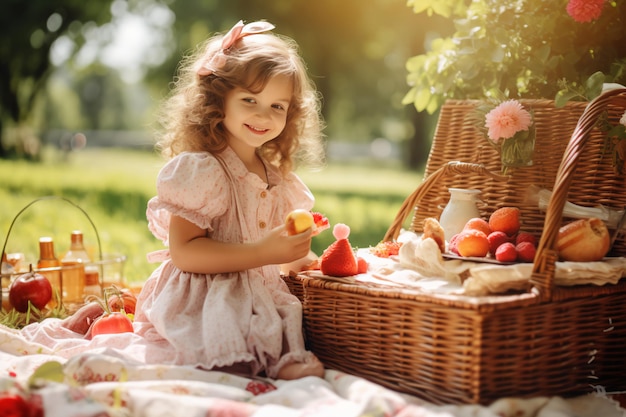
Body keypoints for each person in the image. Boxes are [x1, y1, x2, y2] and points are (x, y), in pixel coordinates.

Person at [131, 20, 326, 380]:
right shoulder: (205, 171)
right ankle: (237, 361)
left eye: (277, 106)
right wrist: (262, 254)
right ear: (219, 100)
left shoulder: (278, 180)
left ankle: (275, 358)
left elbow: (285, 253)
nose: (263, 115)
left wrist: (313, 260)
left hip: (258, 297)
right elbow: (185, 252)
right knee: (229, 366)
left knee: (277, 339)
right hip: (206, 297)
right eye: (249, 100)